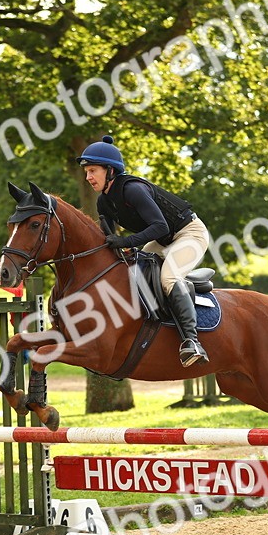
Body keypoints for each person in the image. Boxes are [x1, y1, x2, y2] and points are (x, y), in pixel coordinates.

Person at [78, 134, 211, 366]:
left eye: (92, 171)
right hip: (163, 240)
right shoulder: (104, 201)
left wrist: (126, 242)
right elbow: (109, 238)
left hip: (189, 234)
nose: (88, 177)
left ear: (110, 171)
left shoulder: (133, 190)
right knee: (131, 271)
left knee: (168, 277)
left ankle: (192, 341)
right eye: (86, 172)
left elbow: (160, 226)